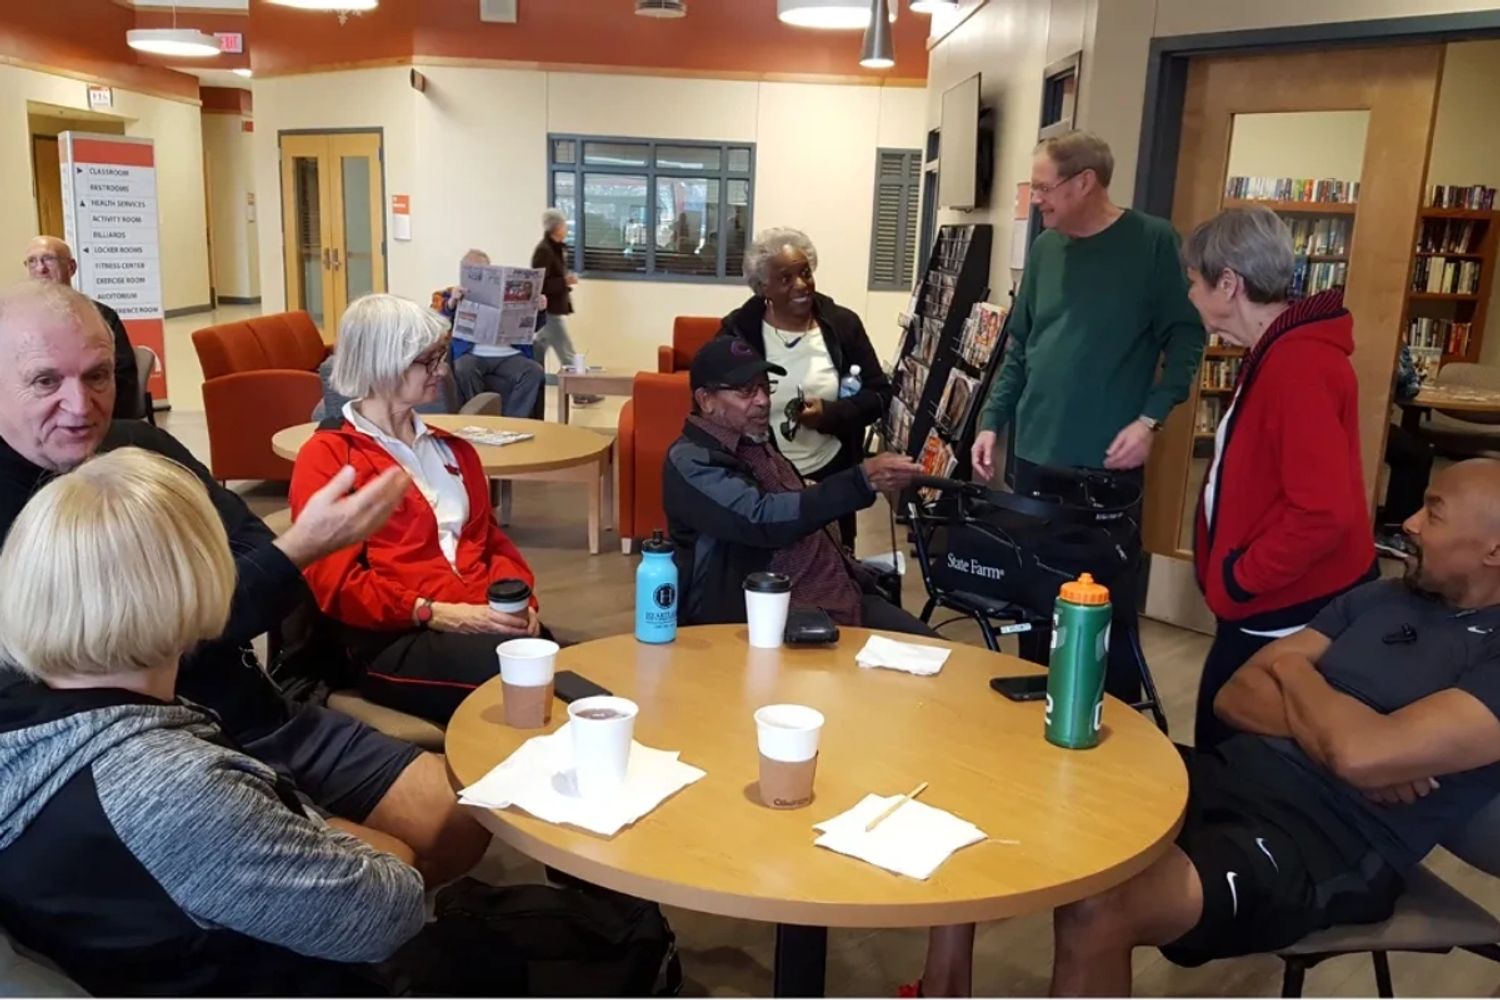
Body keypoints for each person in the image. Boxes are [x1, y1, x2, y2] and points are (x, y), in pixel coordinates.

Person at [0, 279, 490, 887]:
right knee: (386, 866)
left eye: (97, 376)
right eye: (46, 381)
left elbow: (262, 573)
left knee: (460, 823)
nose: (81, 405)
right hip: (140, 761)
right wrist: (266, 569)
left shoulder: (144, 447)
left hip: (253, 711)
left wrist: (262, 573)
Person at [1047, 458, 1500, 996]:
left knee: (1098, 906)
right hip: (1231, 775)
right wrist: (1340, 733)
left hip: (1327, 841)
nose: (1410, 523)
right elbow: (1236, 695)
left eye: (1434, 512)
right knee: (1032, 790)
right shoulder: (1382, 597)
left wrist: (1293, 674)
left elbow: (1359, 756)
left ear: (1495, 550)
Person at [0, 447, 430, 995]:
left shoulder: (28, 731)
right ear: (198, 578)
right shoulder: (171, 788)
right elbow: (388, 913)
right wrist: (349, 839)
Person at [969, 130, 1205, 705]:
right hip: (1033, 457)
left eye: (1045, 189)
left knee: (1104, 609)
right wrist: (992, 420)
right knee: (1033, 598)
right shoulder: (1047, 250)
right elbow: (1021, 344)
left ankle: (1113, 721)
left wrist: (1150, 420)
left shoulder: (1152, 244)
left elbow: (1188, 336)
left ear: (1084, 183)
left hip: (1105, 465)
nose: (1037, 202)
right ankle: (1038, 709)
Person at [290, 293, 544, 724]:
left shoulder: (453, 449)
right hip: (390, 635)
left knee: (557, 666)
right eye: (427, 361)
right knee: (521, 686)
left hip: (476, 619)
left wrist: (518, 601)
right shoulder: (330, 457)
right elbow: (335, 584)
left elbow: (490, 541)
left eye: (440, 357)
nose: (442, 371)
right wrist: (435, 613)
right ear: (383, 363)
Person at [1181, 207, 1376, 749]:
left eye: (1195, 283)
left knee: (1230, 754)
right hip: (1274, 602)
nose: (1191, 296)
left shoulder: (1297, 366)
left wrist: (1242, 577)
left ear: (1228, 283)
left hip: (1284, 606)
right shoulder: (1277, 354)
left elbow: (1323, 512)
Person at [661, 336, 928, 633]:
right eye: (747, 391)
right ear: (705, 400)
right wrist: (860, 481)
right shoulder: (691, 460)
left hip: (842, 592)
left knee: (940, 654)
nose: (763, 401)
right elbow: (761, 517)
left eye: (765, 387)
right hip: (779, 615)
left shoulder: (754, 438)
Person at [718, 226, 892, 548]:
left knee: (835, 570)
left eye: (805, 273)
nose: (801, 285)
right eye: (785, 278)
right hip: (760, 480)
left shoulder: (843, 325)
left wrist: (831, 414)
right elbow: (712, 403)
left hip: (832, 475)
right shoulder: (737, 332)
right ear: (762, 288)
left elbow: (879, 394)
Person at [23, 236, 139, 419]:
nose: (40, 269)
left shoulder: (101, 317)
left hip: (87, 417)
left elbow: (123, 378)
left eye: (48, 259)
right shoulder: (16, 320)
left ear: (71, 267)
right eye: (32, 262)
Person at [435, 248, 544, 418]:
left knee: (533, 371)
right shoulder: (454, 294)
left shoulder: (505, 291)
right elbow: (439, 323)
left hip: (509, 354)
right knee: (464, 368)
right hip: (473, 354)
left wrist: (540, 310)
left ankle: (513, 422)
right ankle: (480, 418)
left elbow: (532, 328)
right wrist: (452, 303)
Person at [531, 209, 599, 405]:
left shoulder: (556, 248)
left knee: (539, 348)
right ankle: (581, 394)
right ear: (556, 227)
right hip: (548, 311)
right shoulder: (544, 250)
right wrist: (564, 281)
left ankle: (535, 389)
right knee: (568, 354)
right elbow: (539, 283)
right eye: (564, 225)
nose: (566, 229)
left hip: (551, 310)